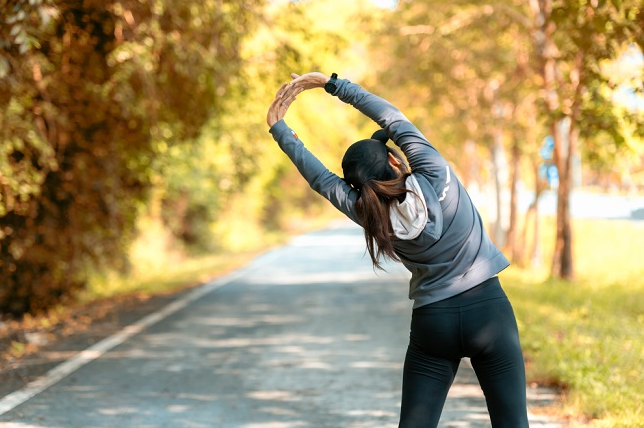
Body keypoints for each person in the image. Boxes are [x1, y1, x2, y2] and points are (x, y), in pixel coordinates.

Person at [266, 72, 530, 428]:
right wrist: (332, 84)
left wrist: (280, 128)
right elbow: (390, 117)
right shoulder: (434, 173)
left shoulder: (369, 214)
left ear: (358, 187)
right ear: (393, 160)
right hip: (489, 313)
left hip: (433, 324)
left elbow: (321, 179)